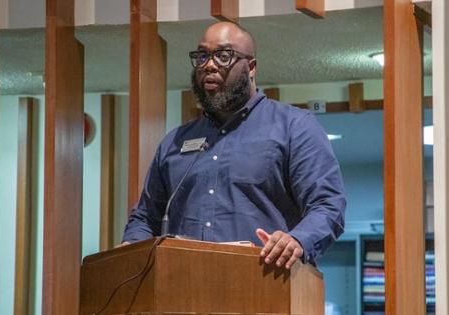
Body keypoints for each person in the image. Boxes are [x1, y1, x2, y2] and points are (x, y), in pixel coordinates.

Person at [122, 21, 346, 269]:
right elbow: (145, 217)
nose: (209, 65)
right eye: (202, 56)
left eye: (223, 55)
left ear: (251, 67)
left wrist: (297, 240)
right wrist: (132, 247)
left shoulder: (295, 127)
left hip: (265, 285)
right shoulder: (175, 142)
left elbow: (328, 206)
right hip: (181, 287)